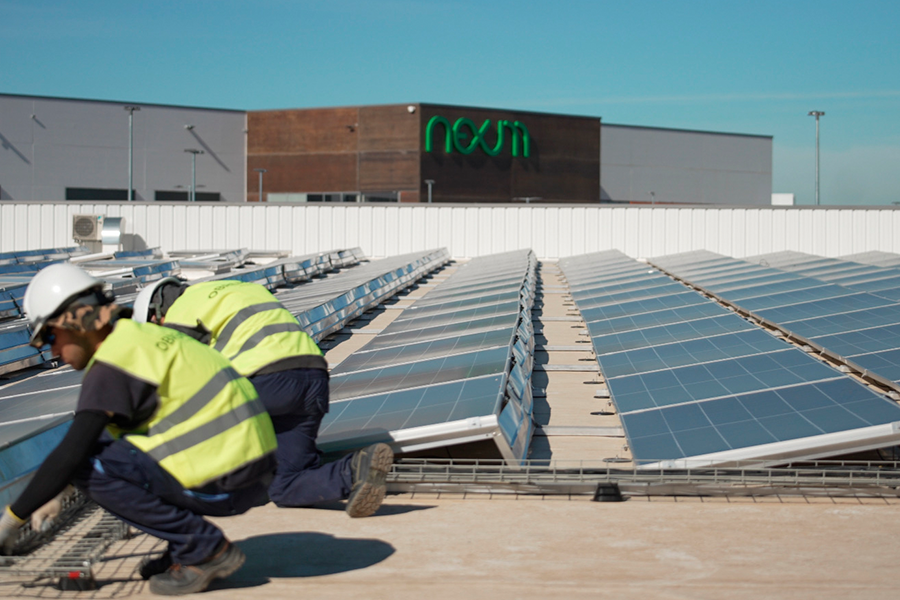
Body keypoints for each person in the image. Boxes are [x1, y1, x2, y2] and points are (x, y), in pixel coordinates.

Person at [0, 263, 278, 596]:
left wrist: (12, 519)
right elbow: (97, 436)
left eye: (50, 336)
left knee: (89, 469)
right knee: (104, 444)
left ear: (75, 321)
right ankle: (182, 549)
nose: (53, 352)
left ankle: (202, 548)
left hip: (228, 478)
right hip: (253, 471)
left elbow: (72, 452)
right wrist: (55, 490)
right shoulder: (141, 337)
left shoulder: (113, 363)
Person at [132, 278, 393, 518]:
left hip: (263, 380)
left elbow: (179, 374)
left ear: (157, 314)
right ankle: (354, 471)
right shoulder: (243, 288)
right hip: (314, 378)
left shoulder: (182, 311)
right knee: (286, 484)